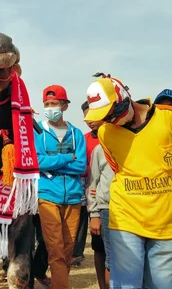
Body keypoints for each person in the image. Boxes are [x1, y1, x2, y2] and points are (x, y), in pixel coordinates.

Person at [84, 76, 172, 288]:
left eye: (112, 113)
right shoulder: (106, 133)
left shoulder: (167, 119)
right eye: (104, 118)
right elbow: (118, 168)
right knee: (126, 284)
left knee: (161, 284)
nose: (110, 121)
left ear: (124, 97)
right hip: (126, 218)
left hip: (165, 219)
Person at [35, 85, 87, 289]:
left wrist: (53, 160)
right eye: (46, 104)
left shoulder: (76, 134)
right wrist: (67, 157)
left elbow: (81, 165)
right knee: (55, 248)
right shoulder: (38, 131)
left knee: (68, 249)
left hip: (73, 197)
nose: (50, 108)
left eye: (54, 103)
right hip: (47, 195)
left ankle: (59, 283)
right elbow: (38, 161)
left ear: (64, 106)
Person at [82, 101, 112, 289]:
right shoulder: (96, 147)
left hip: (131, 207)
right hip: (105, 208)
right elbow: (92, 178)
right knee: (102, 250)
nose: (90, 121)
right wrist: (94, 212)